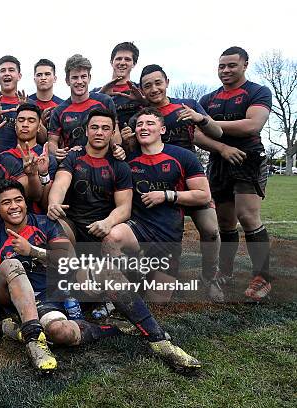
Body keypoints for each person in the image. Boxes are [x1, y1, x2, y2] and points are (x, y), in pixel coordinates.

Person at [0, 180, 202, 372]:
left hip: (67, 285)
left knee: (105, 269)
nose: (14, 206)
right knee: (58, 331)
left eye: (18, 200)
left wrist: (33, 251)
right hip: (39, 302)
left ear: (25, 202)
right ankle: (46, 334)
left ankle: (160, 341)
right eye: (6, 202)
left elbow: (69, 257)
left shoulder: (45, 223)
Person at [136, 64, 243, 300]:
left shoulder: (187, 105)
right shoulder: (141, 114)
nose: (154, 89)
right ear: (142, 90)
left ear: (167, 82)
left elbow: (217, 132)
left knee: (211, 230)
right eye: (147, 86)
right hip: (155, 181)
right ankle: (147, 275)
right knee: (146, 231)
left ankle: (210, 277)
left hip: (189, 178)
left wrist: (200, 118)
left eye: (157, 82)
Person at [103, 107, 212, 285]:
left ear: (162, 129)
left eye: (150, 123)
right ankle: (125, 285)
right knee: (112, 238)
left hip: (168, 232)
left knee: (159, 300)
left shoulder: (183, 156)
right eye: (139, 124)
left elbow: (204, 196)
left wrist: (166, 195)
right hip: (138, 226)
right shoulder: (127, 159)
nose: (144, 128)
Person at [199, 46, 273, 300]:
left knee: (248, 216)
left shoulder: (258, 92)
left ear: (244, 65)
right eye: (222, 66)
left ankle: (262, 277)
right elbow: (197, 134)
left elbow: (252, 125)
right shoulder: (208, 99)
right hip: (219, 162)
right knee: (225, 222)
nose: (226, 70)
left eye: (231, 65)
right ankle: (225, 272)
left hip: (248, 158)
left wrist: (209, 123)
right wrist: (221, 145)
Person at [47, 108, 132, 245]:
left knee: (113, 238)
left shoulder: (120, 166)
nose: (99, 132)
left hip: (104, 224)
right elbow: (61, 184)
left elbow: (125, 208)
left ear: (112, 133)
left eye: (105, 128)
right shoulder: (72, 157)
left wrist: (108, 222)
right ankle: (69, 265)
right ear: (86, 131)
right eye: (94, 127)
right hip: (72, 223)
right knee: (55, 226)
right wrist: (54, 204)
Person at [48, 54, 117, 161]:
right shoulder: (59, 111)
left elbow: (115, 132)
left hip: (104, 162)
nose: (79, 81)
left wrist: (118, 149)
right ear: (67, 80)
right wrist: (56, 152)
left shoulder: (105, 101)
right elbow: (52, 141)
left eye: (83, 76)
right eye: (75, 77)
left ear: (89, 78)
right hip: (73, 164)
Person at [1, 103, 57, 213]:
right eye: (21, 120)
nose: (25, 124)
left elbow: (47, 206)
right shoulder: (2, 157)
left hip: (40, 219)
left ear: (39, 127)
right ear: (15, 125)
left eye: (31, 121)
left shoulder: (47, 158)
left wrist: (44, 174)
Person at [0, 55, 28, 153]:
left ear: (19, 76)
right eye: (3, 71)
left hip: (19, 158)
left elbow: (42, 136)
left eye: (11, 70)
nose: (7, 73)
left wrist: (24, 111)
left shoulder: (28, 103)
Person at [96, 42, 146, 128]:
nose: (122, 63)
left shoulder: (141, 91)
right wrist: (100, 95)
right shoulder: (97, 93)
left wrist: (143, 101)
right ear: (111, 62)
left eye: (127, 59)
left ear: (134, 64)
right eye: (118, 59)